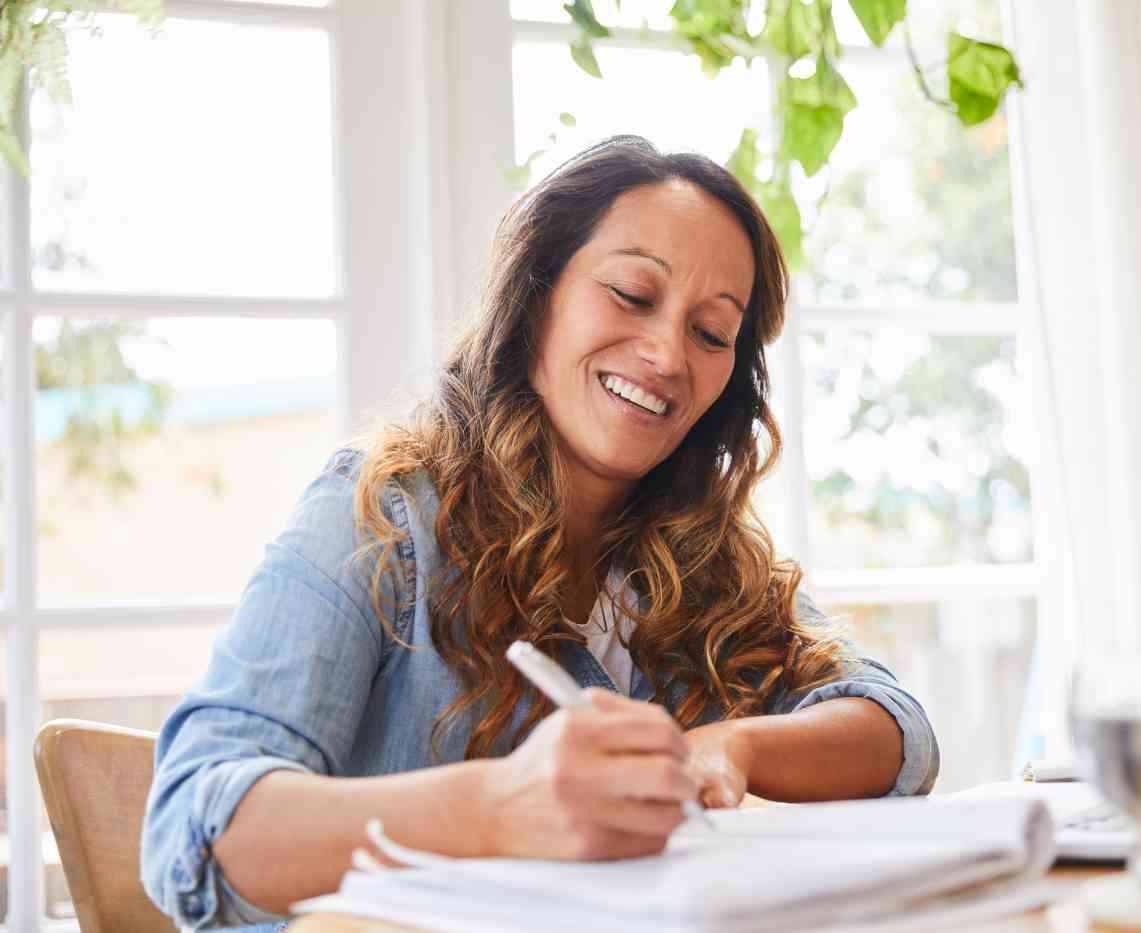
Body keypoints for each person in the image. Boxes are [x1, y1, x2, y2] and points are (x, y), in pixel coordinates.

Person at [140, 135, 938, 931]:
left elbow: (896, 728)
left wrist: (738, 745)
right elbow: (196, 831)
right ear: (536, 294)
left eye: (711, 332)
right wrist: (497, 809)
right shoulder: (384, 515)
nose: (665, 353)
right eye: (631, 293)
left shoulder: (707, 564)